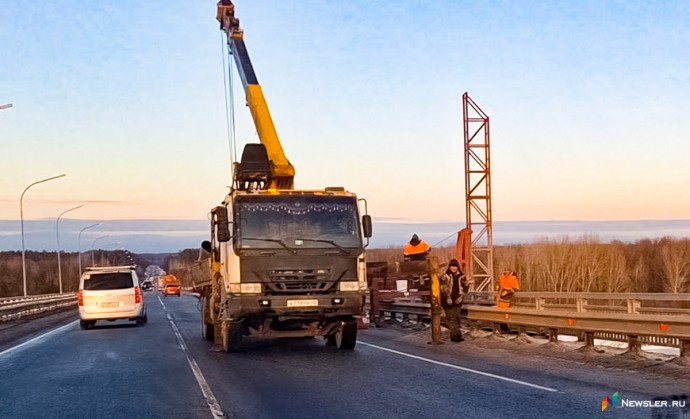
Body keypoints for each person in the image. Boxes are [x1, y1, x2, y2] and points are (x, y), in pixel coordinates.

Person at [440, 259, 467, 342]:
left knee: (457, 317)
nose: (454, 268)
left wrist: (461, 296)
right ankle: (455, 336)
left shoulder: (462, 276)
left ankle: (457, 334)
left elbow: (465, 287)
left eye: (455, 266)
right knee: (451, 318)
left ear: (457, 267)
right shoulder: (445, 276)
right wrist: (447, 297)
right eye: (452, 266)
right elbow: (443, 288)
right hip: (447, 301)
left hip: (458, 300)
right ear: (449, 267)